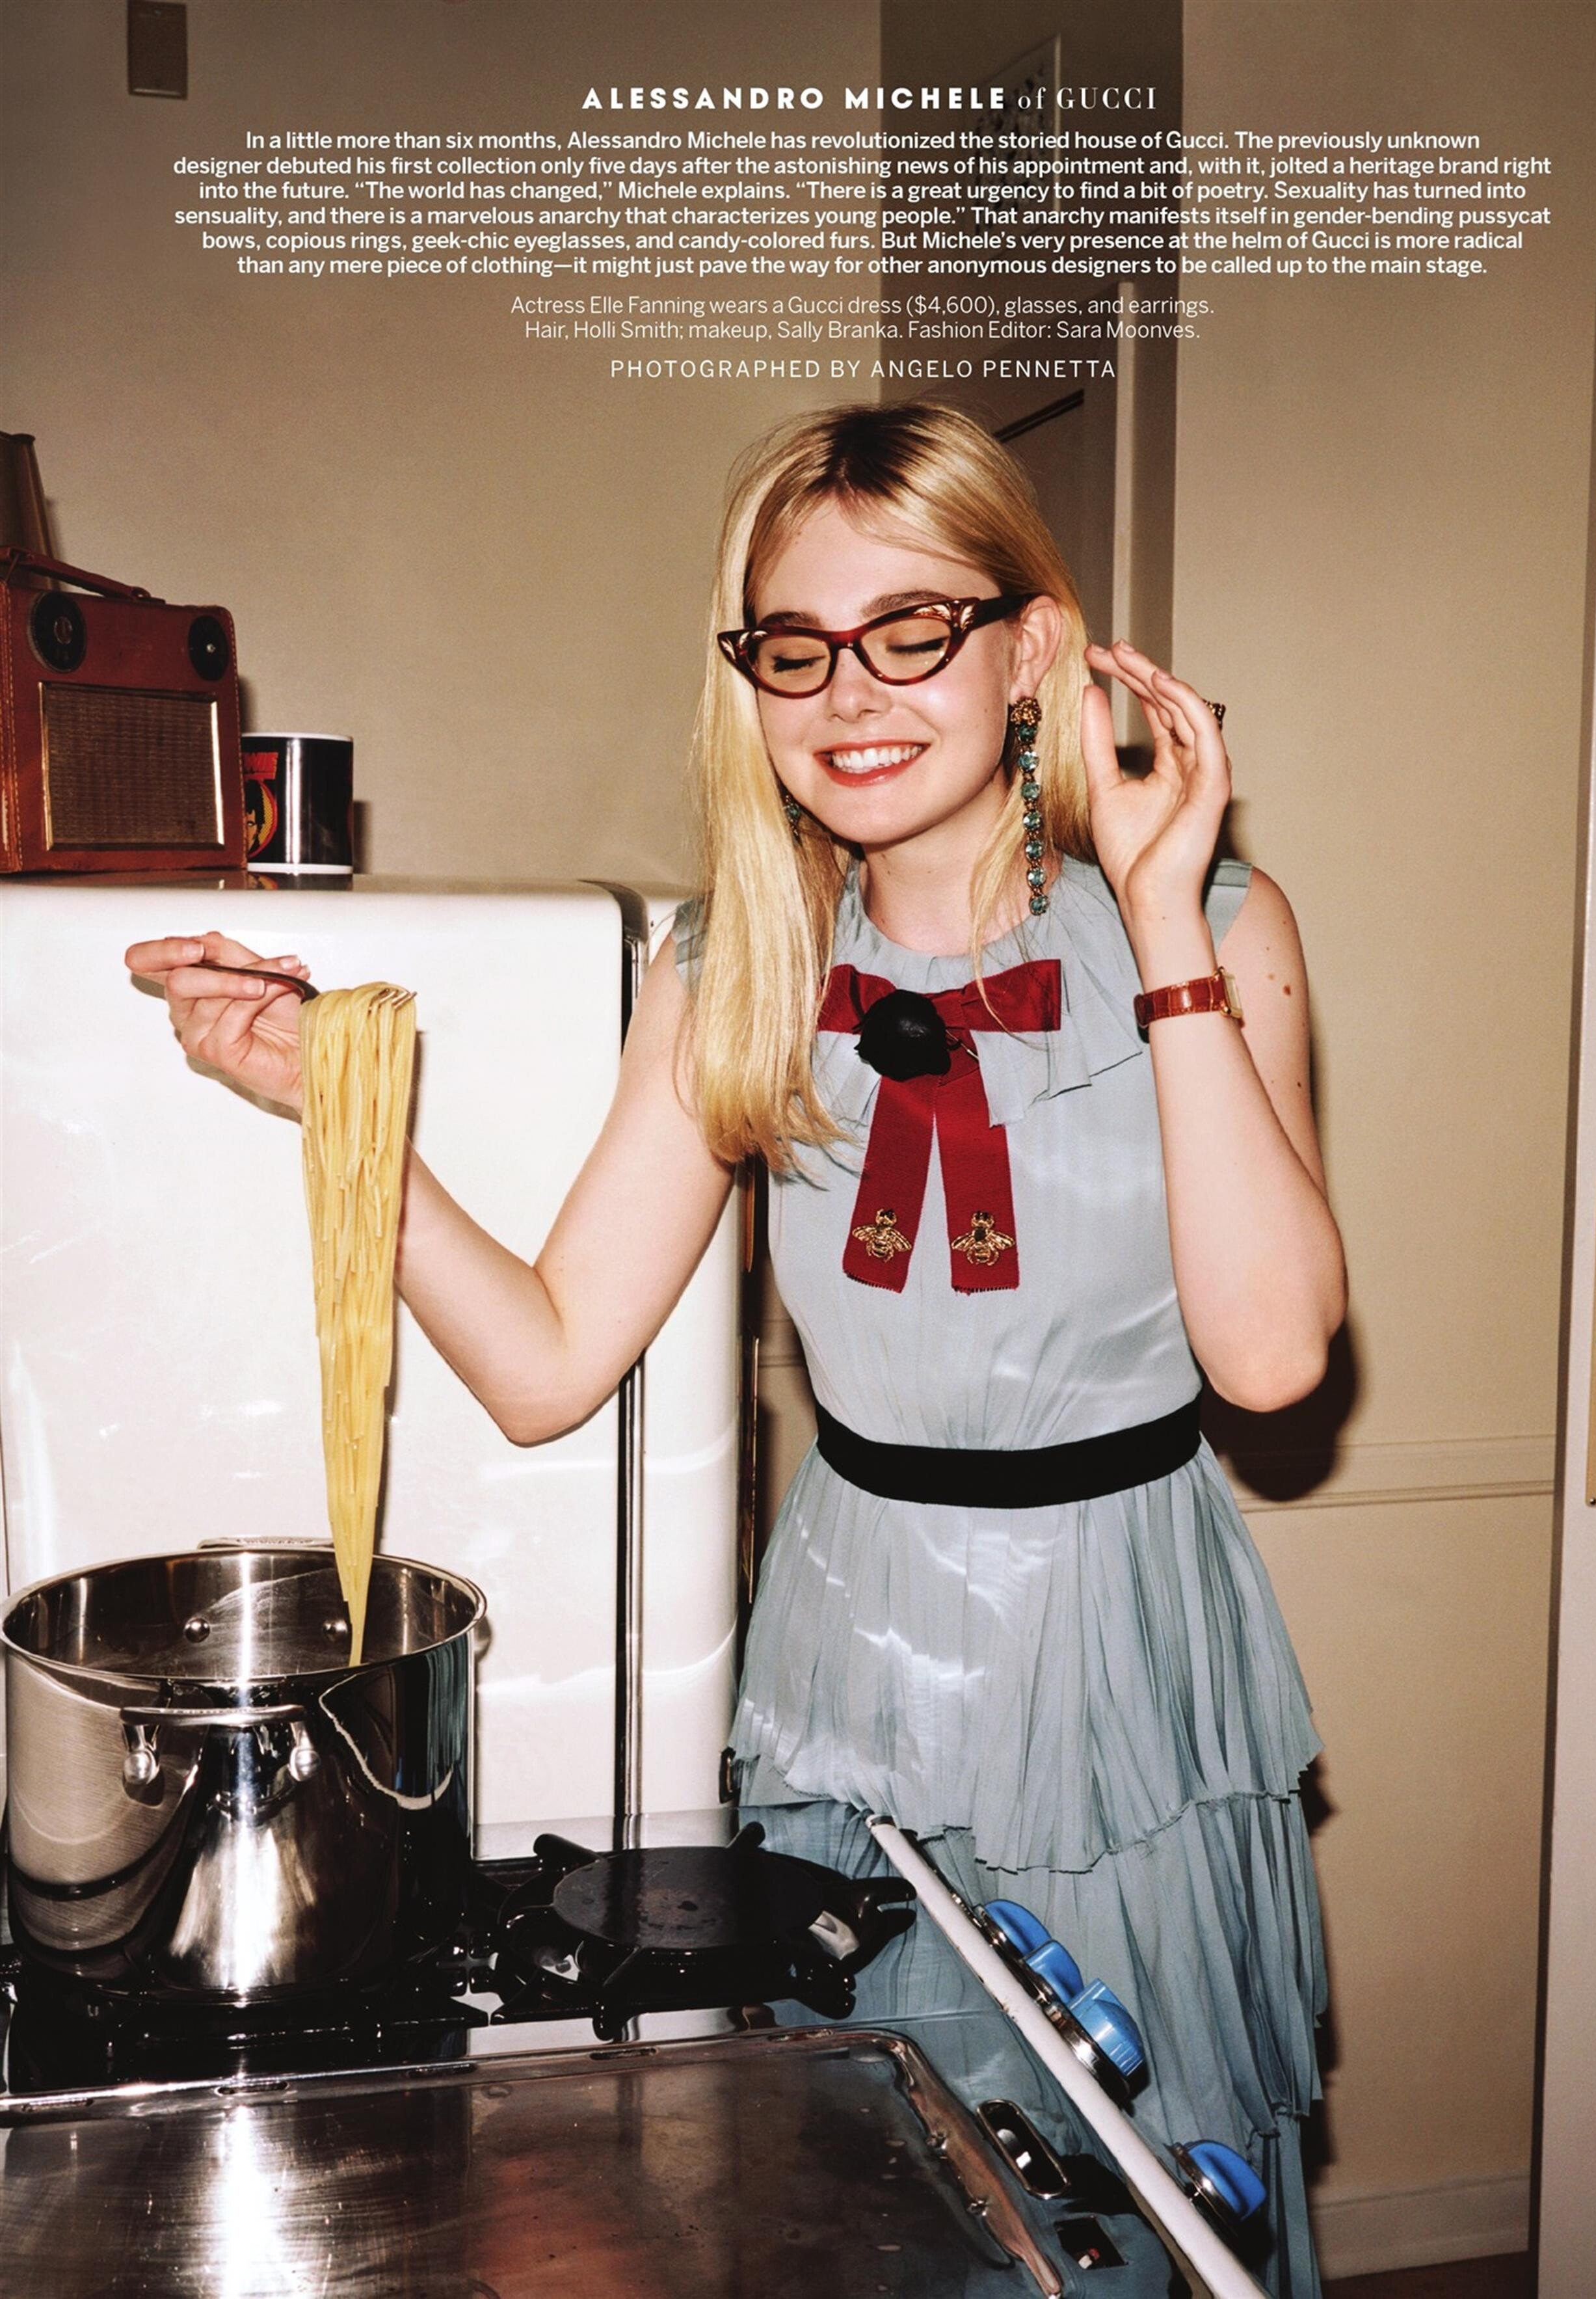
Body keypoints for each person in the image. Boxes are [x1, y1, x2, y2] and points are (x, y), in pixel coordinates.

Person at [126, 399, 1346, 2294]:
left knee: (1143, 2201)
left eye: (910, 631)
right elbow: (546, 1360)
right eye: (797, 646)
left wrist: (1166, 919)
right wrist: (335, 1113)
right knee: (873, 2200)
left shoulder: (1222, 926)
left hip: (1124, 1661)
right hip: (856, 1655)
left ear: (1031, 649)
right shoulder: (731, 967)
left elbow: (1269, 1365)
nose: (848, 694)